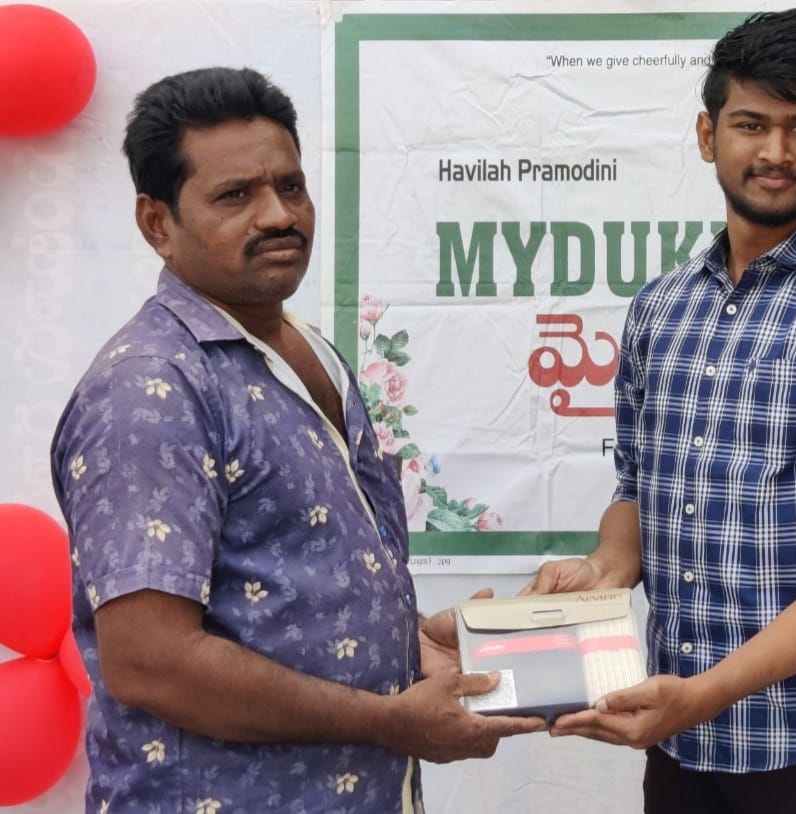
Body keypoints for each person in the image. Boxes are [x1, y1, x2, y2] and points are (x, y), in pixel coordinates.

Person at [50, 67, 541, 814]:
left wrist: (410, 644)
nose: (279, 215)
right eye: (235, 196)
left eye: (291, 186)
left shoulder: (308, 348)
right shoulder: (151, 387)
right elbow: (152, 662)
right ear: (157, 224)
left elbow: (288, 586)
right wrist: (387, 720)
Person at [523, 8, 796, 812]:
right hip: (680, 733)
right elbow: (638, 489)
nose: (775, 153)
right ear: (707, 133)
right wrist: (603, 573)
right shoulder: (661, 308)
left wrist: (706, 693)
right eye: (751, 124)